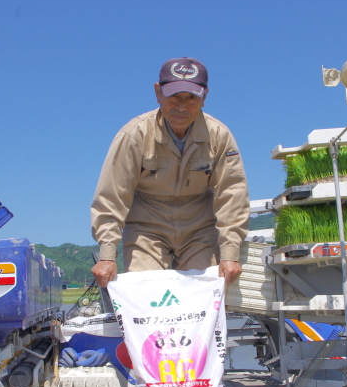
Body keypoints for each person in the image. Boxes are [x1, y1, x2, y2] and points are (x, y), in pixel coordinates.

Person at [90, 57, 250, 287]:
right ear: (158, 93)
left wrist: (230, 253)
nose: (182, 106)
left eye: (191, 98)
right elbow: (112, 195)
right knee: (145, 293)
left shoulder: (220, 136)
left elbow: (232, 194)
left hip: (200, 228)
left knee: (204, 294)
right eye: (174, 96)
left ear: (205, 96)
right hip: (146, 227)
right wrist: (107, 254)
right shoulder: (133, 135)